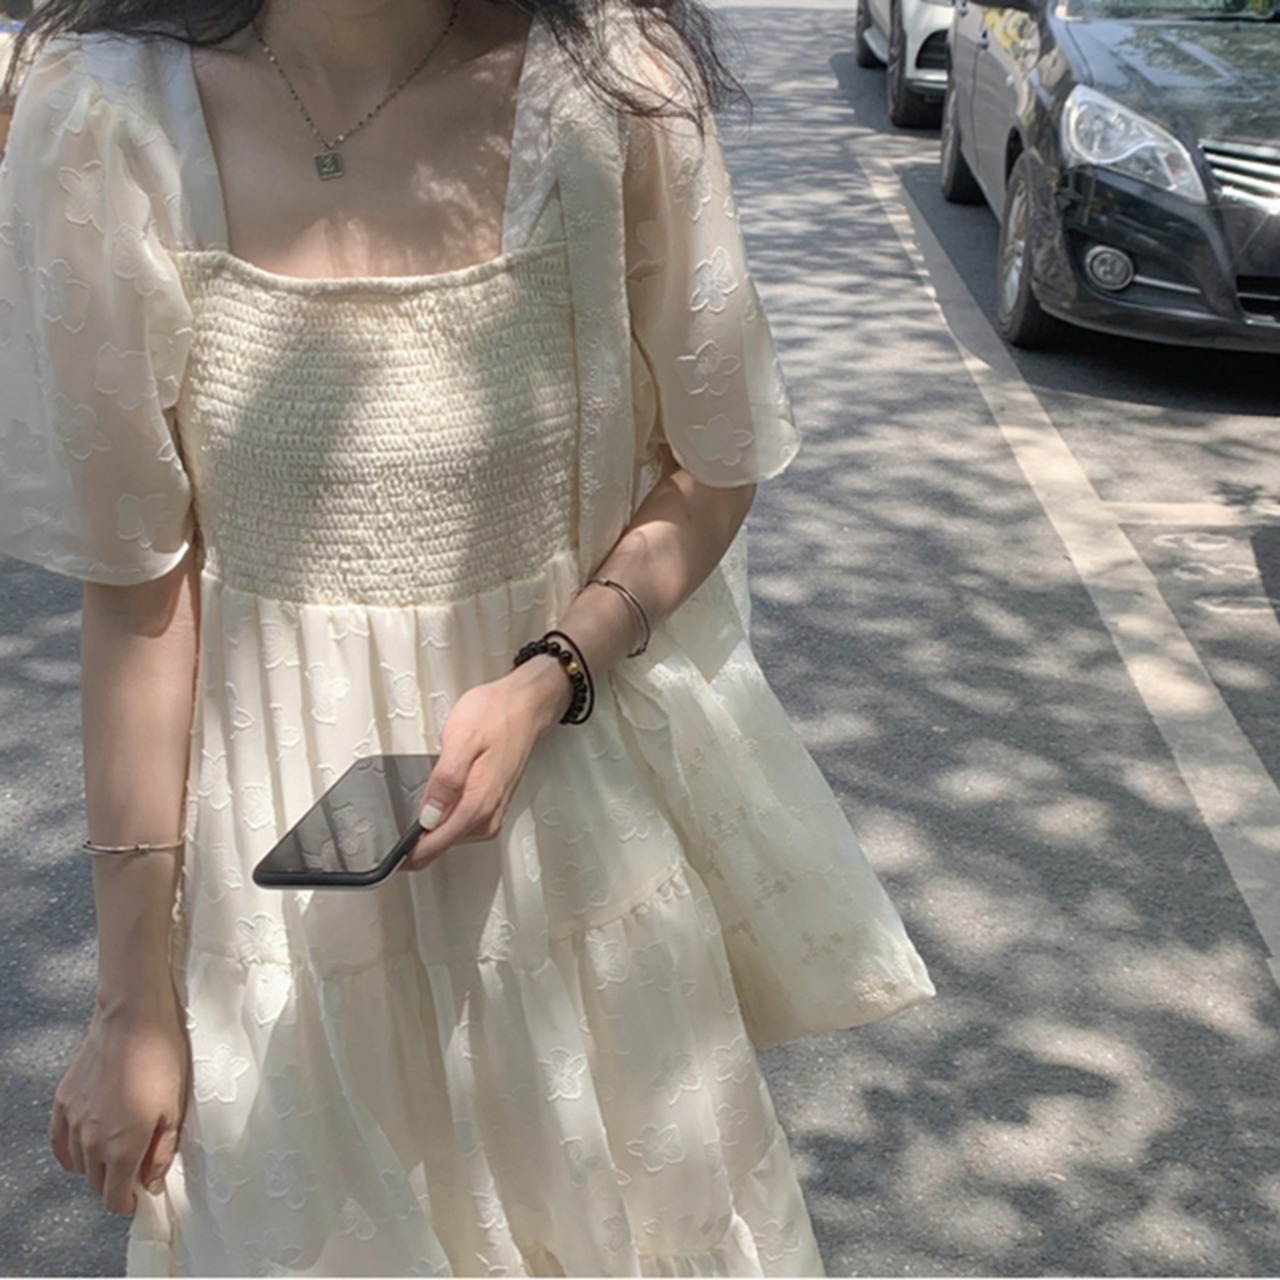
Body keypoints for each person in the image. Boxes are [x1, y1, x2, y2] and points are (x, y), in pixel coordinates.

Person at [0, 0, 935, 1273]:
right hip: (276, 932)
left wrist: (551, 673)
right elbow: (135, 592)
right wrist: (132, 1004)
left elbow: (711, 468)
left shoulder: (614, 94)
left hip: (569, 889)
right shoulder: (108, 118)